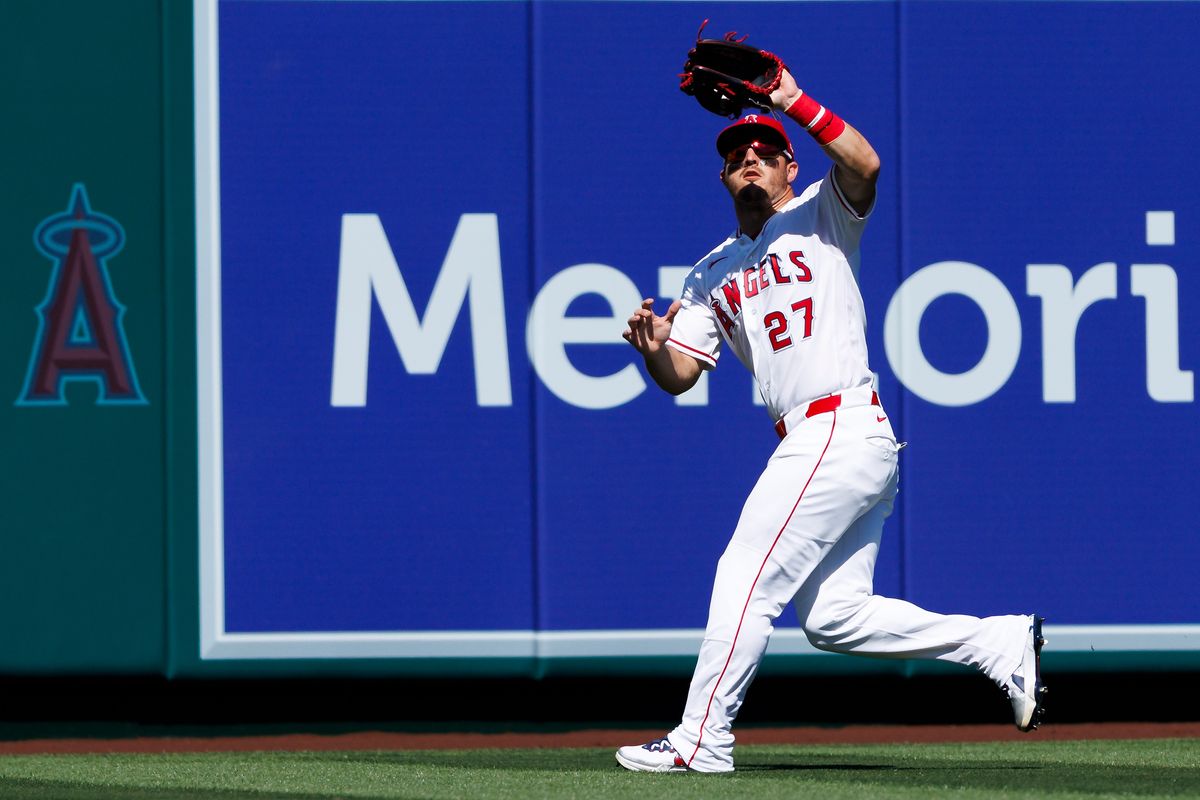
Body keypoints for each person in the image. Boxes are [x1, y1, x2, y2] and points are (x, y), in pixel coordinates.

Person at [615, 67, 1046, 774]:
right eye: (734, 154)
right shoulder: (710, 272)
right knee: (833, 618)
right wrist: (654, 354)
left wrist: (789, 100)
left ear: (790, 167)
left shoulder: (821, 211)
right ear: (723, 177)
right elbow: (681, 378)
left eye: (763, 150)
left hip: (837, 425)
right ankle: (999, 642)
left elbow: (866, 162)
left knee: (745, 572)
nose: (747, 158)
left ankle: (701, 739)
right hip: (829, 441)